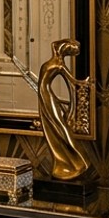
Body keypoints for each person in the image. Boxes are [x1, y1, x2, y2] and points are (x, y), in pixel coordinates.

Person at [37, 38, 90, 180]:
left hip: (46, 96)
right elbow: (72, 81)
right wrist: (82, 83)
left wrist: (83, 84)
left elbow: (71, 82)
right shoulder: (57, 63)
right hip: (45, 96)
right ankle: (66, 163)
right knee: (54, 127)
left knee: (58, 126)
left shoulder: (55, 64)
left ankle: (77, 162)